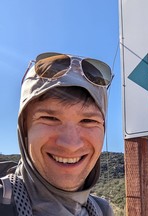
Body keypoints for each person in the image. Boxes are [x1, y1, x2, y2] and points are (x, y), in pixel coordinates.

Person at [0, 52, 114, 215]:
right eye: (50, 118)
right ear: (24, 129)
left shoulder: (102, 210)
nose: (71, 145)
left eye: (88, 121)